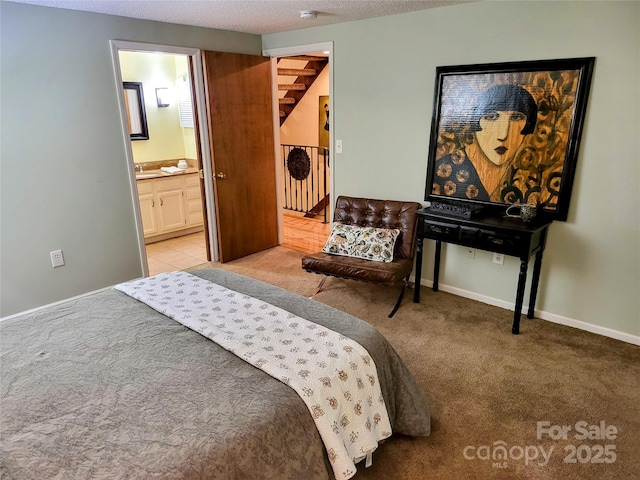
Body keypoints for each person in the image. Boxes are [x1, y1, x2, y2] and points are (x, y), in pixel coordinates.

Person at [433, 84, 537, 202]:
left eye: (516, 118)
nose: (503, 135)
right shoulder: (443, 171)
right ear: (476, 121)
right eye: (491, 117)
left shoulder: (527, 177)